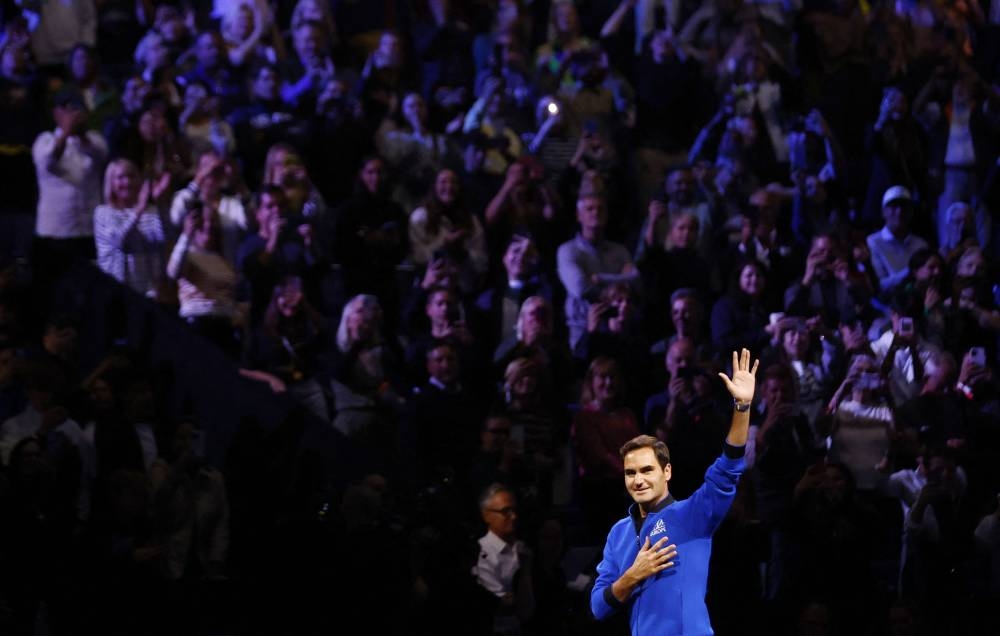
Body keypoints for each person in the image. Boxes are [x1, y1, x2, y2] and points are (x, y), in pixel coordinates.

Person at [590, 348, 760, 636]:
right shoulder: (618, 533)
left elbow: (727, 470)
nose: (638, 480)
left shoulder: (691, 514)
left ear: (666, 472)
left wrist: (741, 408)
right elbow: (598, 606)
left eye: (647, 470)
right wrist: (633, 575)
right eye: (631, 473)